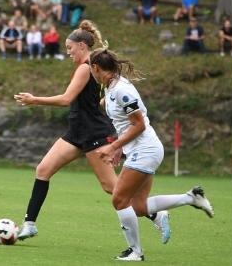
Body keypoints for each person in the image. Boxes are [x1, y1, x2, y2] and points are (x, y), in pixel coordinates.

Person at [12, 20, 166, 242]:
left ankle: (155, 214)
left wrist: (35, 99)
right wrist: (101, 103)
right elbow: (97, 98)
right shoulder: (88, 67)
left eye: (70, 48)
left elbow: (66, 99)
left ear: (82, 46)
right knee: (43, 169)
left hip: (94, 133)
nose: (68, 53)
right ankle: (30, 224)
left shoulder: (86, 67)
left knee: (112, 188)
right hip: (76, 132)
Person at [87, 49, 214, 261]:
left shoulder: (121, 90)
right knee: (138, 207)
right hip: (139, 149)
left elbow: (139, 125)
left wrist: (112, 146)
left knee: (119, 199)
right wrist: (119, 148)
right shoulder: (110, 87)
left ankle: (136, 252)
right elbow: (125, 124)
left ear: (96, 68)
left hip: (145, 149)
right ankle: (191, 198)